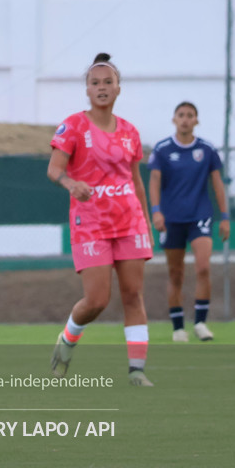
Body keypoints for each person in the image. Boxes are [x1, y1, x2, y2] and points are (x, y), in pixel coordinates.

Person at [46, 53, 154, 387]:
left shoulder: (130, 132)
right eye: (96, 83)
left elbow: (136, 181)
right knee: (97, 301)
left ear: (119, 88)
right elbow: (54, 169)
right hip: (90, 223)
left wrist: (146, 222)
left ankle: (137, 371)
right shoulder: (73, 126)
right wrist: (70, 184)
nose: (102, 88)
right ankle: (67, 339)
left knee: (133, 295)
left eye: (108, 82)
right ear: (87, 90)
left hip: (129, 221)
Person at [147, 102, 230, 342]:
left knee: (203, 267)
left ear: (196, 120)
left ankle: (201, 323)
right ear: (174, 119)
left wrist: (224, 217)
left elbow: (217, 184)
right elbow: (153, 181)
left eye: (190, 115)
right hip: (171, 218)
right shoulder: (162, 149)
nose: (185, 119)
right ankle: (178, 328)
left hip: (200, 216)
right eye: (181, 115)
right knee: (176, 273)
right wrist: (156, 212)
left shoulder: (207, 149)